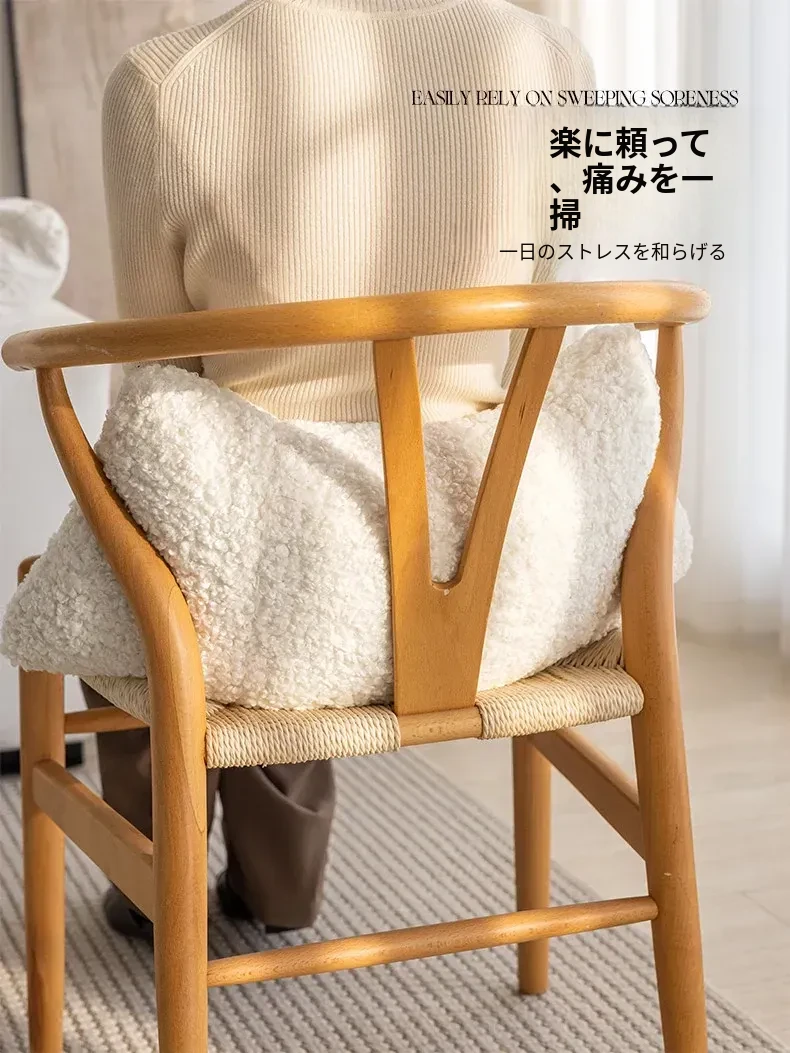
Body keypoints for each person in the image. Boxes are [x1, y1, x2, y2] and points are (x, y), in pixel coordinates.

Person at [91, 0, 592, 939]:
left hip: (279, 590)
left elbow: (163, 382)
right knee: (246, 517)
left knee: (142, 529)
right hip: (512, 571)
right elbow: (543, 322)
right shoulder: (549, 54)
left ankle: (157, 878)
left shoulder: (163, 81)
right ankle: (275, 882)